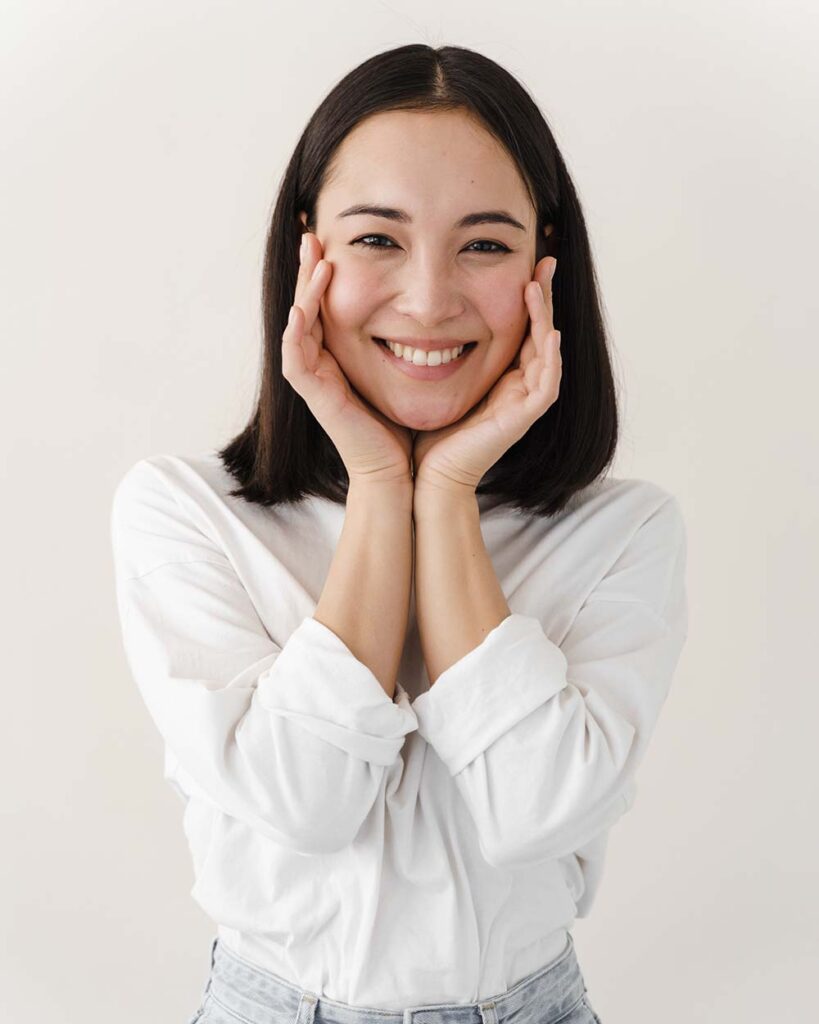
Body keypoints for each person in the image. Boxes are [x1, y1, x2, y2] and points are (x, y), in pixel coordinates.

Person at [110, 43, 687, 1024]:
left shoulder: (624, 531)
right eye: (379, 239)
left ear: (547, 268)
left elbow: (535, 808)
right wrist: (382, 481)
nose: (428, 298)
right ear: (307, 254)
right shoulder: (183, 511)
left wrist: (448, 489)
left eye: (486, 244)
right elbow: (306, 802)